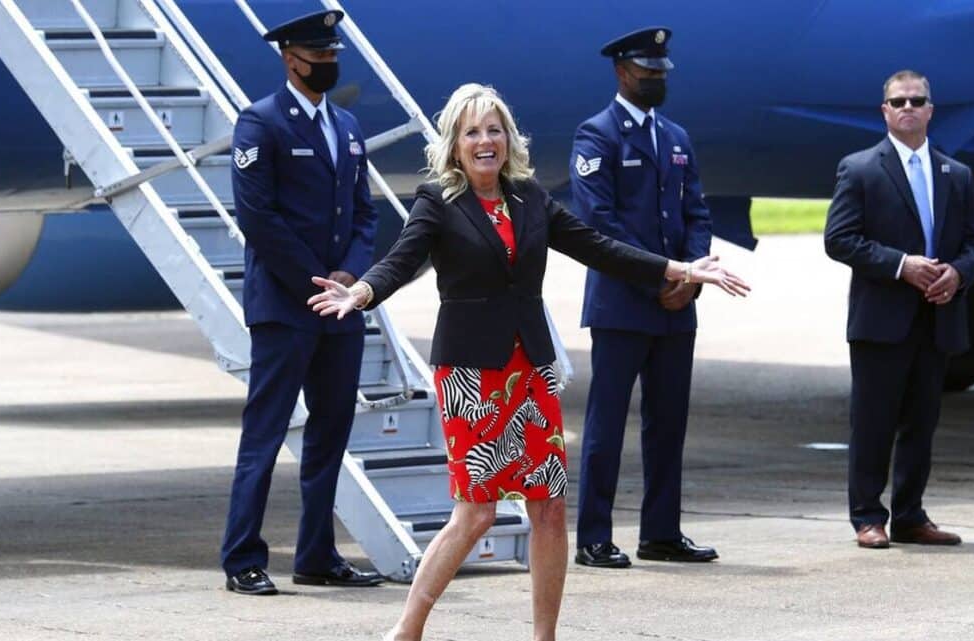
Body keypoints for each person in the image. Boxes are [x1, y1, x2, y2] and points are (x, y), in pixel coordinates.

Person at [307, 83, 747, 641]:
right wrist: (361, 292)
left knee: (549, 508)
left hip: (530, 369)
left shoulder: (529, 198)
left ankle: (544, 636)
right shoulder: (437, 201)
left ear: (508, 139)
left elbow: (599, 247)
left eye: (494, 130)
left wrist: (679, 269)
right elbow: (399, 260)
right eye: (472, 132)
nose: (484, 141)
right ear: (455, 144)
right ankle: (407, 629)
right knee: (477, 513)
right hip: (471, 375)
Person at [220, 10, 382, 595]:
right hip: (287, 306)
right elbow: (257, 217)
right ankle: (242, 558)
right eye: (319, 56)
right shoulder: (260, 123)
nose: (329, 63)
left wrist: (351, 275)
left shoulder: (347, 125)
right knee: (264, 436)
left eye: (333, 54)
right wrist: (316, 280)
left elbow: (364, 214)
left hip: (339, 307)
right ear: (291, 60)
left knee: (331, 435)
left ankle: (316, 555)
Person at [568, 27, 717, 568]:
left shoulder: (675, 137)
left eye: (660, 71)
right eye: (645, 70)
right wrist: (660, 279)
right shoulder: (597, 135)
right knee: (606, 426)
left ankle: (661, 532)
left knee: (668, 424)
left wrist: (692, 276)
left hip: (678, 307)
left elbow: (696, 213)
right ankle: (594, 536)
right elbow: (599, 224)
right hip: (624, 305)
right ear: (621, 71)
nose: (655, 78)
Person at [824, 70, 974, 549]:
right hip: (882, 319)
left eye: (917, 100)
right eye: (899, 102)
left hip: (937, 318)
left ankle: (911, 516)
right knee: (873, 422)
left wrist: (958, 273)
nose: (908, 108)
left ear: (931, 110)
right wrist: (901, 266)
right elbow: (839, 239)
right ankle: (867, 517)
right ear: (885, 111)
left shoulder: (956, 174)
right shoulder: (860, 169)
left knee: (922, 423)